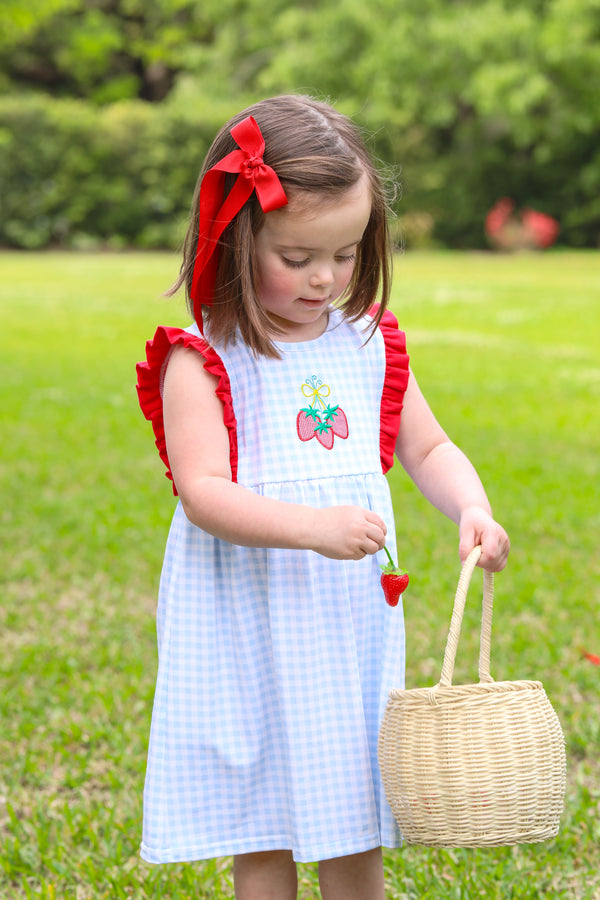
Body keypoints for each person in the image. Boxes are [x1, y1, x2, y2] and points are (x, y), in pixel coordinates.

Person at [136, 94, 509, 900]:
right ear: (238, 237)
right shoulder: (204, 360)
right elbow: (203, 492)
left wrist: (471, 507)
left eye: (345, 254)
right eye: (298, 255)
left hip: (344, 617)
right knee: (263, 814)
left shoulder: (367, 341)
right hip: (244, 612)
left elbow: (430, 447)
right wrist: (311, 526)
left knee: (354, 799)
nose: (326, 277)